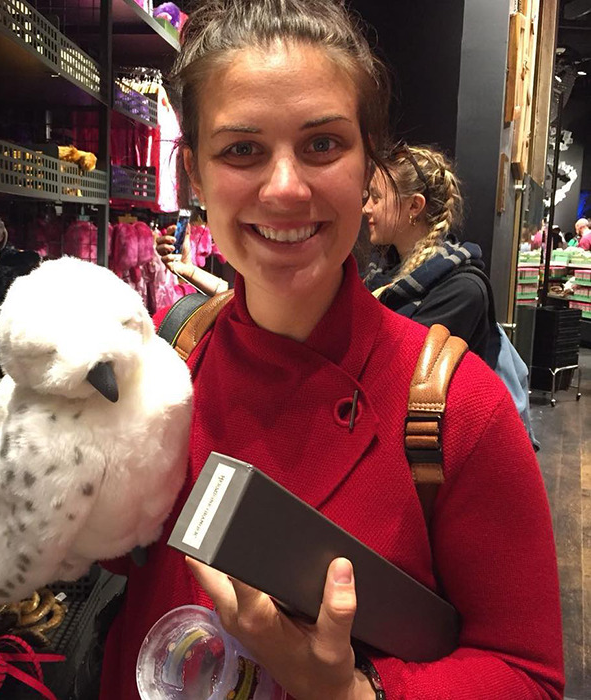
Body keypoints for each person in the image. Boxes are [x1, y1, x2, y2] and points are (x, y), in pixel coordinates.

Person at [99, 2, 564, 699]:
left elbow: (528, 676)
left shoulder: (461, 409)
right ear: (194, 173)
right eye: (242, 150)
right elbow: (125, 567)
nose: (285, 187)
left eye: (322, 144)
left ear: (369, 165)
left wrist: (354, 692)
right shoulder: (166, 359)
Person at [361, 144, 490, 360]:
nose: (365, 208)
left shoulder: (462, 291)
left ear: (414, 206)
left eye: (376, 198)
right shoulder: (380, 271)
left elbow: (397, 364)